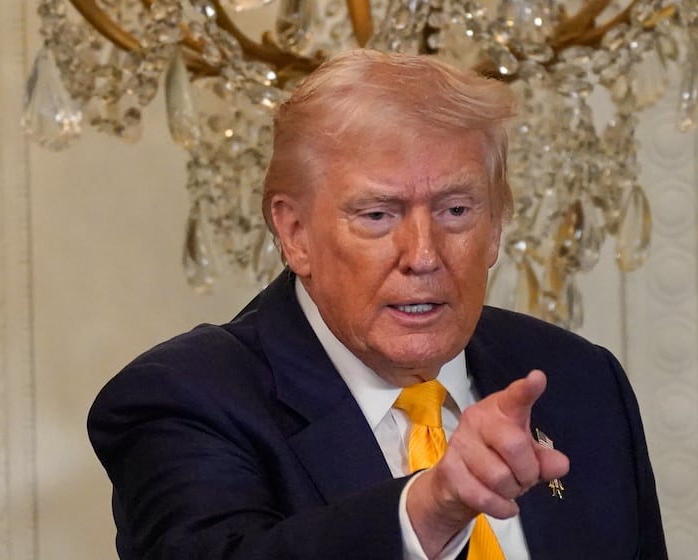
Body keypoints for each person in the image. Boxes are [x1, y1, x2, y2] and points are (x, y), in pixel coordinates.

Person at [88, 49, 667, 559]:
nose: (423, 255)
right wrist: (431, 509)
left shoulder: (582, 382)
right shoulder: (183, 398)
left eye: (456, 211)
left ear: (496, 227)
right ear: (295, 234)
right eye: (377, 215)